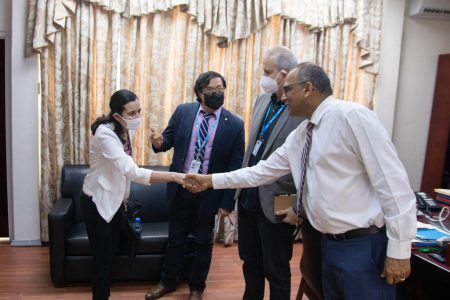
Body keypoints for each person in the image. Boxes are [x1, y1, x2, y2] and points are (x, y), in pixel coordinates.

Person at [185, 63, 417, 300]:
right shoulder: (302, 134)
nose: (283, 98)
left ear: (308, 88)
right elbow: (261, 172)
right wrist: (209, 180)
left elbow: (393, 186)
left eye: (288, 90)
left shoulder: (351, 117)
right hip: (328, 244)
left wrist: (400, 250)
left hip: (362, 245)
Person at [145, 71, 245, 300]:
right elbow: (166, 141)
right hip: (180, 188)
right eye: (211, 90)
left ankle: (197, 288)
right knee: (176, 240)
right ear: (199, 93)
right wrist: (158, 143)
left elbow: (235, 167)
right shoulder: (183, 112)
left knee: (203, 242)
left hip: (208, 193)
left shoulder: (235, 124)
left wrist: (228, 201)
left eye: (220, 89)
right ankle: (167, 282)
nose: (217, 93)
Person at [81, 89, 186, 300]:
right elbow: (132, 171)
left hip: (116, 200)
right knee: (102, 260)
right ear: (117, 115)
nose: (137, 117)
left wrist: (125, 197)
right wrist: (175, 176)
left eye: (139, 111)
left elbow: (123, 171)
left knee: (110, 256)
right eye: (132, 113)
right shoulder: (105, 134)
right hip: (97, 201)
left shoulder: (125, 130)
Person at [235, 46, 303, 300]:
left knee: (276, 268)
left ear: (283, 75)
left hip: (279, 198)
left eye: (267, 71)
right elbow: (253, 147)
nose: (262, 76)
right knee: (249, 261)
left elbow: (305, 165)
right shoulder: (262, 99)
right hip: (248, 195)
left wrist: (297, 206)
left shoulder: (301, 108)